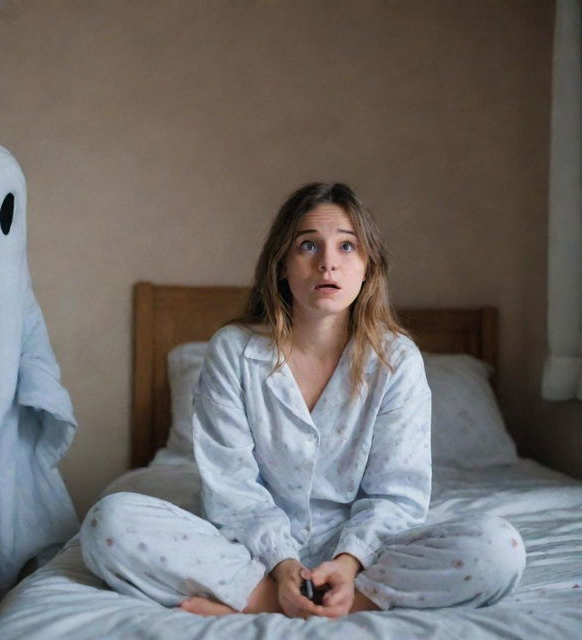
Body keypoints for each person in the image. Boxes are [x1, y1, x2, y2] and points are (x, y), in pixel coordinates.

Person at [80, 182, 526, 619]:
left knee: (498, 549)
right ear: (282, 266)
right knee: (110, 523)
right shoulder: (233, 351)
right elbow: (232, 487)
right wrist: (282, 564)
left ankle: (303, 603)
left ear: (368, 267)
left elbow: (396, 493)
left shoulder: (396, 361)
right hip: (247, 548)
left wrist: (350, 563)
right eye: (308, 246)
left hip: (369, 555)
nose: (328, 263)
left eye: (347, 247)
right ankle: (273, 598)